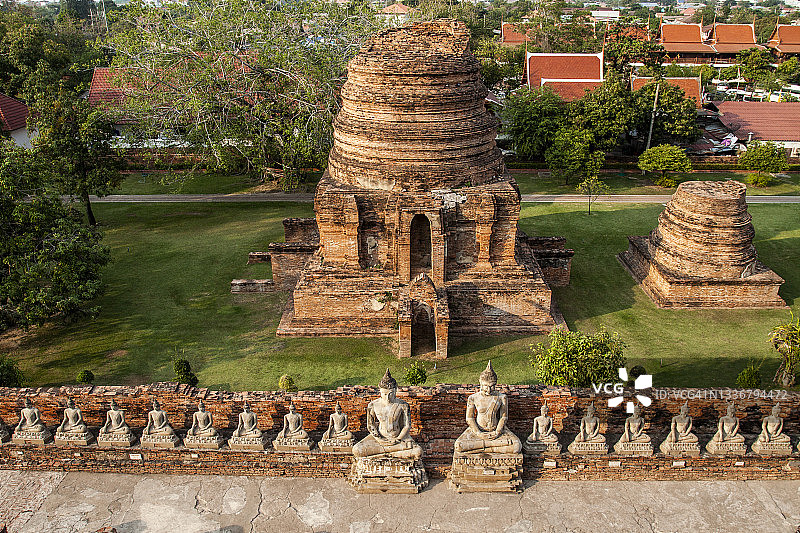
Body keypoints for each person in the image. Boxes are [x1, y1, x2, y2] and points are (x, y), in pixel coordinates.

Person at [352, 368, 422, 460]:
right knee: (356, 450)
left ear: (395, 390)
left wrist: (398, 439)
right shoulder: (373, 405)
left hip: (398, 438)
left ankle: (383, 453)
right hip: (379, 438)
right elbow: (370, 426)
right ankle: (393, 453)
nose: (388, 397)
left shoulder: (403, 405)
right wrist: (379, 439)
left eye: (391, 394)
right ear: (380, 391)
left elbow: (406, 426)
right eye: (384, 394)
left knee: (418, 451)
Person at [454, 361, 521, 454]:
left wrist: (497, 432)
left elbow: (504, 417)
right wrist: (478, 433)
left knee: (517, 446)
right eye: (486, 386)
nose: (489, 390)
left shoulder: (501, 397)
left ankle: (480, 448)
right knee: (459, 445)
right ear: (481, 383)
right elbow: (469, 418)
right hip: (477, 431)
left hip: (496, 431)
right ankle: (493, 447)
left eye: (492, 386)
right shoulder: (473, 398)